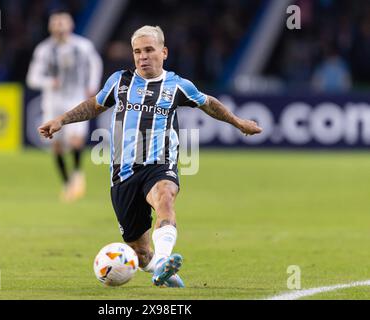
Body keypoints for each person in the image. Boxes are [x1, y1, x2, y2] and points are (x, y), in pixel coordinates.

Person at [38, 26, 262, 287]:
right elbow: (94, 105)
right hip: (122, 173)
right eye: (137, 52)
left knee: (165, 197)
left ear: (163, 52)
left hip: (159, 164)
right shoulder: (120, 81)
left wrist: (238, 123)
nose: (142, 56)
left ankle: (166, 259)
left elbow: (208, 103)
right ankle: (161, 268)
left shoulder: (177, 85)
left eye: (149, 50)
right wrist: (62, 120)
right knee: (141, 253)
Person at [27, 11, 103, 202]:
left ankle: (77, 174)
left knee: (76, 139)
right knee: (57, 146)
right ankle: (67, 183)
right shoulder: (44, 50)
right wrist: (48, 81)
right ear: (51, 27)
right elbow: (32, 78)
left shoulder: (83, 46)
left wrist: (92, 85)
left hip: (76, 98)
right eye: (56, 25)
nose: (60, 28)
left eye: (63, 24)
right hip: (52, 101)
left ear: (70, 26)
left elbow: (95, 64)